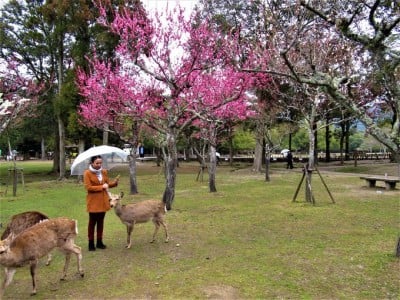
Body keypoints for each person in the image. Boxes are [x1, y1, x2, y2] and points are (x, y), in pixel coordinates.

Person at [83, 155, 119, 251]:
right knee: (92, 223)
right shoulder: (87, 173)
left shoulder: (104, 172)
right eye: (97, 163)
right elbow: (88, 187)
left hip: (103, 201)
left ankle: (99, 242)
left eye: (100, 163)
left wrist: (114, 183)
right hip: (93, 202)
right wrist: (101, 187)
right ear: (92, 163)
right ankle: (91, 243)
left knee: (101, 222)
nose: (99, 165)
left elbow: (107, 184)